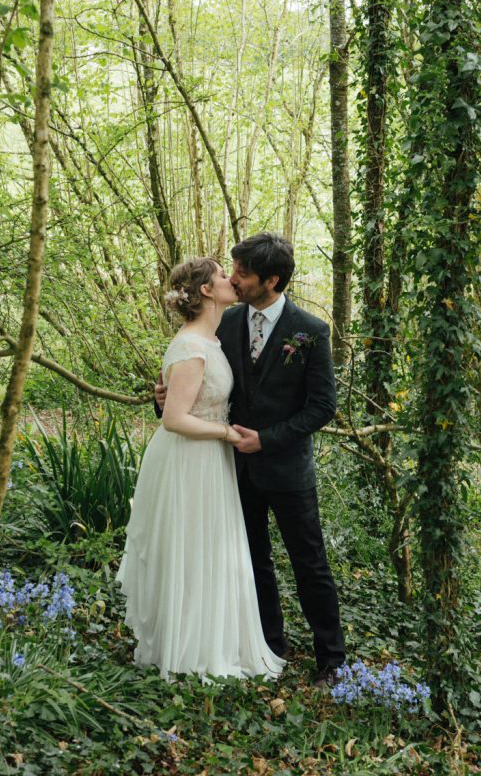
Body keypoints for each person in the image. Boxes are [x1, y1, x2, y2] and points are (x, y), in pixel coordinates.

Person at [157, 233, 346, 687]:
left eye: (242, 272)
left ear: (272, 279)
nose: (234, 278)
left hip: (286, 467)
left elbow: (322, 407)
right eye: (233, 270)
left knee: (310, 562)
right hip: (231, 469)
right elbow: (198, 391)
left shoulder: (310, 331)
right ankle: (269, 645)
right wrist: (162, 397)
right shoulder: (222, 323)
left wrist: (268, 439)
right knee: (252, 558)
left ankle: (332, 660)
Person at [116, 256, 284, 681]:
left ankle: (208, 638)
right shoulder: (191, 345)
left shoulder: (212, 339)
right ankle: (185, 647)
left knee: (208, 551)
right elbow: (174, 418)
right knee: (191, 550)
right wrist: (227, 433)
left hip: (208, 459)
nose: (232, 279)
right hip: (189, 459)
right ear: (207, 291)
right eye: (223, 276)